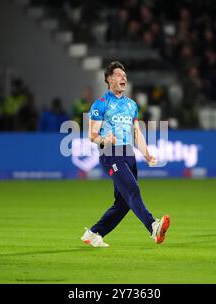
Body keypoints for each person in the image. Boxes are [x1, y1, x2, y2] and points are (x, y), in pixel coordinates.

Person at [81, 61, 170, 247]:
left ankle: (93, 234)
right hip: (110, 154)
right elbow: (92, 135)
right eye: (119, 74)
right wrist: (105, 140)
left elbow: (137, 133)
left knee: (123, 204)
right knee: (133, 190)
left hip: (129, 155)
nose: (124, 77)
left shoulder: (131, 105)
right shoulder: (101, 104)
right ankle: (153, 226)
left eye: (125, 74)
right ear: (109, 79)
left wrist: (147, 155)